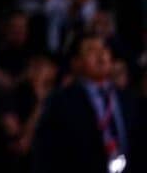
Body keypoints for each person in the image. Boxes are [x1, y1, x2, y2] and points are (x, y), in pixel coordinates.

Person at [32, 33, 145, 173]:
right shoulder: (60, 102)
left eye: (104, 49)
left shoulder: (128, 98)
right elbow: (47, 153)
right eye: (91, 50)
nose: (101, 55)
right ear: (76, 62)